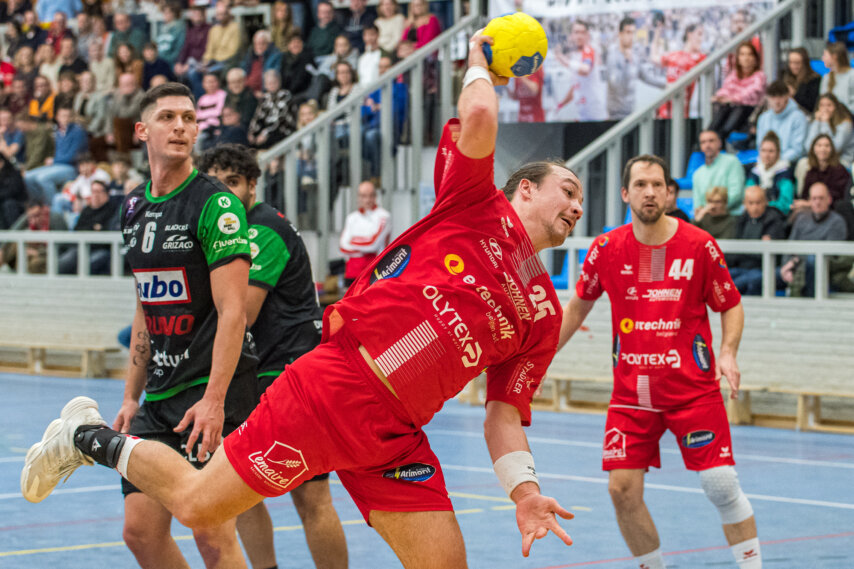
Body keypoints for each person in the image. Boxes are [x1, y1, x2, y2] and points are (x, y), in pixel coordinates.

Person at [22, 32, 580, 568]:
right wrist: (480, 61)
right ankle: (84, 436)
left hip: (394, 438)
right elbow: (478, 117)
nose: (578, 207)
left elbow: (504, 414)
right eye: (569, 190)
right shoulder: (474, 203)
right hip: (331, 388)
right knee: (196, 505)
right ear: (525, 188)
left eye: (581, 201)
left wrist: (524, 492)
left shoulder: (544, 315)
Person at [58, 83, 260, 567]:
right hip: (160, 392)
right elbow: (144, 306)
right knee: (141, 533)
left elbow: (234, 311)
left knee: (211, 531)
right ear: (142, 130)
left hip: (211, 391)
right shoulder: (132, 207)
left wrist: (214, 401)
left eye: (189, 118)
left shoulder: (216, 205)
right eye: (168, 117)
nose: (181, 127)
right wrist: (131, 396)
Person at [558, 153, 762, 569]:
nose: (649, 192)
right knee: (621, 491)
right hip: (631, 395)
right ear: (625, 193)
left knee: (721, 483)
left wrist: (728, 352)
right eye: (640, 185)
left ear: (670, 193)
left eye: (657, 185)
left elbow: (730, 304)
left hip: (693, 391)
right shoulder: (606, 249)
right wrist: (539, 358)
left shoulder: (699, 245)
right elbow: (577, 307)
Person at [200, 143, 349, 569]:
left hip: (294, 371)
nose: (225, 194)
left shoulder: (262, 229)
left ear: (252, 186)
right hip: (256, 372)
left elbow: (242, 314)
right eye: (216, 185)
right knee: (239, 488)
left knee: (311, 494)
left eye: (233, 183)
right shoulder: (228, 230)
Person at [779, 182, 848, 297]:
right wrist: (786, 267)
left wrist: (795, 262)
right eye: (814, 198)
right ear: (809, 201)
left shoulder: (837, 222)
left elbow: (828, 255)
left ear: (829, 200)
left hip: (823, 271)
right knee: (758, 278)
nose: (817, 202)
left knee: (813, 261)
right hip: (794, 268)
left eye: (821, 198)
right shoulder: (801, 219)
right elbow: (790, 246)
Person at [728, 186, 786, 296]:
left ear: (765, 202)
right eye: (751, 203)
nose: (755, 207)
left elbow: (769, 254)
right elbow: (735, 249)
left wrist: (746, 251)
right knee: (720, 278)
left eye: (758, 203)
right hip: (741, 267)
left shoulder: (774, 220)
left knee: (736, 285)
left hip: (762, 269)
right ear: (745, 204)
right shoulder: (741, 220)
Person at [24, 105, 87, 202]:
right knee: (27, 176)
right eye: (63, 116)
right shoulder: (57, 131)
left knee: (43, 178)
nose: (66, 119)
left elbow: (73, 156)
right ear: (57, 117)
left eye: (68, 116)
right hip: (56, 165)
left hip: (71, 167)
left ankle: (52, 206)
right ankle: (39, 204)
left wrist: (54, 160)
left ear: (72, 117)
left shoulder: (78, 131)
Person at [604, 17, 663, 120]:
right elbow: (616, 86)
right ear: (620, 34)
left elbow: (647, 77)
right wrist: (626, 62)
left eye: (633, 33)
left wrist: (667, 84)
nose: (631, 36)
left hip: (630, 114)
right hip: (615, 116)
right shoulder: (613, 56)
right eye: (628, 32)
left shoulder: (634, 56)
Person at [57, 179, 118, 274]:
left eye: (99, 191)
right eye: (93, 191)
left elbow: (107, 231)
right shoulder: (87, 210)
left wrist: (91, 229)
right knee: (64, 262)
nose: (95, 195)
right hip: (81, 247)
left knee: (87, 265)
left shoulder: (113, 210)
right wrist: (93, 228)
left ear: (107, 193)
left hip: (102, 249)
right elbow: (77, 229)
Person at [707, 42, 765, 142]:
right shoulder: (734, 74)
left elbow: (750, 93)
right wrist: (719, 97)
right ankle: (709, 135)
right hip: (731, 108)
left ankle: (719, 139)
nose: (746, 58)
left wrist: (731, 99)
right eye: (742, 54)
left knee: (738, 109)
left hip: (749, 110)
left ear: (755, 58)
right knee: (722, 110)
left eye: (749, 54)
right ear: (738, 58)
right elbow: (726, 88)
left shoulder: (760, 76)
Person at [339, 180, 391, 285]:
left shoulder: (384, 216)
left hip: (375, 272)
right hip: (352, 272)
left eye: (371, 195)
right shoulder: (352, 218)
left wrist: (352, 241)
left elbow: (372, 245)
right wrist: (364, 246)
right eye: (363, 196)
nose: (367, 200)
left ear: (375, 196)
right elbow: (342, 247)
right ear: (358, 197)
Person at [554, 20, 606, 122]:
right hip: (582, 114)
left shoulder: (588, 51)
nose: (579, 36)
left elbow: (585, 70)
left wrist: (563, 59)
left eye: (582, 32)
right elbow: (575, 86)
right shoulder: (575, 55)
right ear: (571, 35)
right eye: (576, 32)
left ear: (587, 35)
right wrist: (560, 104)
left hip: (595, 115)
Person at [653, 23, 706, 119]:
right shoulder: (674, 55)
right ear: (689, 34)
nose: (701, 39)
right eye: (699, 34)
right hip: (663, 110)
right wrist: (657, 34)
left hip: (681, 113)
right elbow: (654, 58)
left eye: (702, 35)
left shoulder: (700, 58)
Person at [691, 130, 745, 214]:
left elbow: (736, 194)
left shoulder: (732, 162)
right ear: (701, 146)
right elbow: (697, 205)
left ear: (719, 143)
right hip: (707, 217)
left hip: (731, 216)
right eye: (703, 142)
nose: (707, 145)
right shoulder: (697, 174)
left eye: (711, 141)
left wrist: (713, 208)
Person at [745, 131, 795, 216]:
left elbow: (785, 204)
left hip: (777, 215)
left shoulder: (785, 174)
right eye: (763, 150)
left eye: (771, 151)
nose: (766, 155)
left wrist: (764, 205)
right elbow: (747, 198)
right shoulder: (755, 172)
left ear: (778, 153)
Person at [248, 69, 297, 150]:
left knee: (267, 140)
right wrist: (252, 133)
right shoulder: (265, 98)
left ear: (279, 82)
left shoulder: (285, 95)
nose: (271, 85)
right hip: (268, 131)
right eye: (269, 83)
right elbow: (258, 117)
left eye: (274, 82)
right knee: (250, 142)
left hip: (283, 130)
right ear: (265, 85)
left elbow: (280, 119)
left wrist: (265, 133)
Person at [805, 93, 854, 166]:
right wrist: (816, 122)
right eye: (822, 105)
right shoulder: (818, 122)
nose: (825, 109)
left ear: (836, 107)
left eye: (829, 105)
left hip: (842, 162)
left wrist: (825, 123)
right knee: (803, 163)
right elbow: (808, 147)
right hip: (821, 161)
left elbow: (834, 149)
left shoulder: (846, 124)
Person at [242, 30, 284, 98]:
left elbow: (274, 77)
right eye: (257, 43)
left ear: (269, 44)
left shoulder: (275, 56)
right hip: (249, 92)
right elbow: (244, 71)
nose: (259, 46)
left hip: (265, 93)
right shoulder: (250, 55)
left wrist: (263, 92)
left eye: (263, 43)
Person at [782, 47, 820, 114]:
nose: (793, 66)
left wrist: (795, 94)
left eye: (797, 63)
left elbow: (812, 106)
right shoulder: (786, 77)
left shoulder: (814, 79)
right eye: (791, 62)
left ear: (804, 63)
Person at [820, 42, 854, 112]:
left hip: (847, 116)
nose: (822, 58)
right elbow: (822, 100)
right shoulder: (826, 77)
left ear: (834, 56)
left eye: (825, 55)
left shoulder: (851, 75)